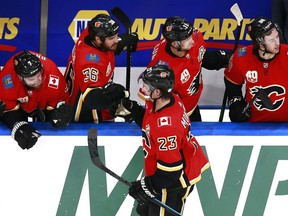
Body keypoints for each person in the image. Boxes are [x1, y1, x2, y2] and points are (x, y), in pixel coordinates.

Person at [110, 65, 210, 215]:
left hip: (175, 181)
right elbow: (151, 119)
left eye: (146, 86)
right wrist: (134, 110)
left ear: (157, 92)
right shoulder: (167, 99)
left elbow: (171, 171)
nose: (142, 88)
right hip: (175, 167)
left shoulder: (166, 127)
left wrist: (146, 186)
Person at [138, 16, 231, 122]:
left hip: (192, 104)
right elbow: (149, 97)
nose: (192, 41)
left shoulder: (196, 37)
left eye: (190, 36)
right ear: (174, 43)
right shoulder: (162, 70)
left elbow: (198, 57)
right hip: (178, 114)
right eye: (186, 40)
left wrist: (220, 59)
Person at [64, 13, 138, 123]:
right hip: (85, 112)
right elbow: (92, 100)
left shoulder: (90, 32)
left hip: (84, 89)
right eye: (112, 38)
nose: (116, 40)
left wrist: (124, 41)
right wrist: (116, 95)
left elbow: (108, 45)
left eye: (116, 36)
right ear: (98, 39)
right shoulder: (90, 63)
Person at [0, 50, 73, 150]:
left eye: (39, 75)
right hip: (20, 103)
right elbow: (7, 109)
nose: (38, 81)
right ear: (20, 77)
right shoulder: (8, 79)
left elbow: (59, 102)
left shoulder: (52, 73)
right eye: (31, 79)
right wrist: (17, 124)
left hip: (43, 100)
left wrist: (58, 114)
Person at [224, 17, 288, 122]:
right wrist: (236, 104)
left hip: (285, 127)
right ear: (260, 43)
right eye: (272, 40)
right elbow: (232, 82)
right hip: (253, 127)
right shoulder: (241, 57)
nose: (277, 43)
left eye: (277, 37)